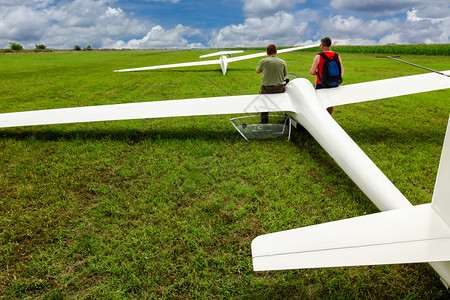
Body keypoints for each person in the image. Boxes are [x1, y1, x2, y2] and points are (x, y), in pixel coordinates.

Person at [310, 37, 344, 115]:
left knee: (318, 102)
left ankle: (320, 117)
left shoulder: (319, 56)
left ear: (322, 45)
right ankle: (329, 116)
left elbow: (312, 72)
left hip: (321, 83)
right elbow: (341, 72)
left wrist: (318, 73)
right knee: (330, 103)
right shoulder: (337, 56)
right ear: (330, 45)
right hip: (334, 84)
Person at [256, 44, 287, 124]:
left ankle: (264, 121)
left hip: (266, 89)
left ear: (267, 53)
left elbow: (257, 71)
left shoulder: (263, 61)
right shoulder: (282, 62)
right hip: (279, 89)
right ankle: (286, 117)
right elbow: (285, 74)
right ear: (276, 52)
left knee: (262, 101)